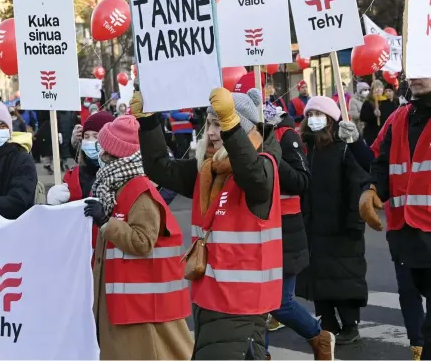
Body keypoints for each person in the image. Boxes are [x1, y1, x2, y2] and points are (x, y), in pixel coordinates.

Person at [133, 87, 290, 360]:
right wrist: (148, 123)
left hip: (240, 303)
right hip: (210, 298)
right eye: (209, 124)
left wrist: (231, 129)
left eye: (220, 124)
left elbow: (253, 176)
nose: (212, 132)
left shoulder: (263, 166)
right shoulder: (207, 169)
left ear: (240, 126)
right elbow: (159, 167)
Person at [84, 115, 193, 359]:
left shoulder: (140, 192)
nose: (99, 154)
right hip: (127, 302)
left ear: (115, 154)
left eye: (104, 149)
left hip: (140, 306)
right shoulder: (115, 185)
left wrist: (106, 222)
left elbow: (143, 242)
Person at [360, 76, 431, 359]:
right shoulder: (400, 118)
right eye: (411, 69)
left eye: (422, 68)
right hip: (407, 236)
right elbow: (381, 163)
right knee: (411, 293)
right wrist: (372, 188)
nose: (414, 76)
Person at [295, 96, 369, 345]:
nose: (313, 119)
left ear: (330, 118)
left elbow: (357, 184)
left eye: (319, 114)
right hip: (313, 226)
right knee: (318, 277)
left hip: (340, 226)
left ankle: (350, 324)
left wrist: (354, 222)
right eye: (309, 114)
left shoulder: (344, 146)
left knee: (344, 276)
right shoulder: (305, 147)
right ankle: (327, 323)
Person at [263, 105, 335, 358]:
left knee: (281, 302)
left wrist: (272, 157)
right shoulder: (236, 137)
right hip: (253, 232)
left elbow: (302, 180)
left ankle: (319, 336)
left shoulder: (285, 135)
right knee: (254, 305)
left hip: (285, 231)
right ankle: (261, 354)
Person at [47, 111, 115, 205]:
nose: (90, 141)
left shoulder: (117, 173)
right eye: (86, 137)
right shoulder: (77, 173)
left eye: (96, 136)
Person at [360, 79, 397, 146]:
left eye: (380, 87)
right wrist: (373, 114)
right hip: (372, 135)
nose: (378, 89)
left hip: (386, 134)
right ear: (372, 90)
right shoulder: (368, 102)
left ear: (383, 89)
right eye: (376, 87)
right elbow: (363, 117)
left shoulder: (387, 101)